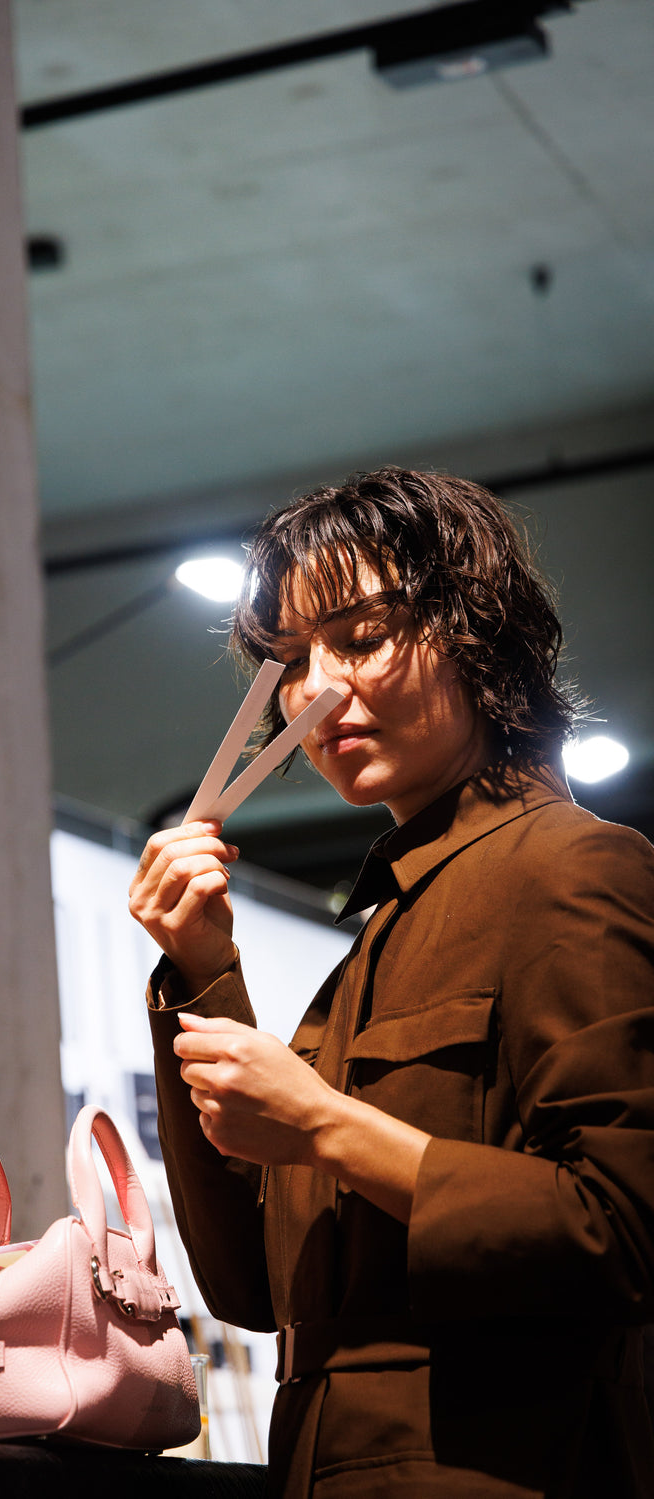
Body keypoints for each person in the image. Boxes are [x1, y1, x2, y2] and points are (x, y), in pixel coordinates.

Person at [128, 468, 654, 1497]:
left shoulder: (570, 866)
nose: (315, 691)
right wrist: (201, 971)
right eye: (290, 659)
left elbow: (625, 1230)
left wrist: (328, 1124)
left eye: (360, 638)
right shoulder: (390, 928)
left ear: (476, 633)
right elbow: (251, 1284)